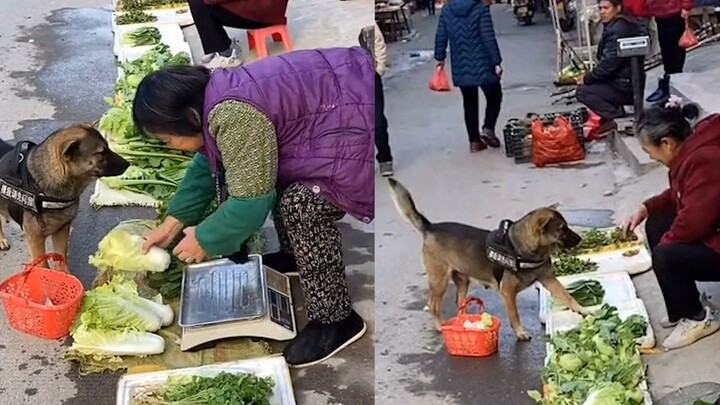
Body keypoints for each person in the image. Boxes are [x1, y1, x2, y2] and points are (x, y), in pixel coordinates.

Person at [132, 48, 374, 368]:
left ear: (189, 118)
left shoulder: (233, 115)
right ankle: (296, 256)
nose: (169, 147)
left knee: (302, 207)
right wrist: (173, 223)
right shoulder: (213, 101)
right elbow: (208, 166)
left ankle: (336, 320)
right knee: (270, 177)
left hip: (353, 128)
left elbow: (250, 203)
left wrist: (205, 238)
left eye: (166, 140)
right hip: (336, 107)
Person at [623, 97, 720, 350]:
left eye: (648, 151)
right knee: (657, 222)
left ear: (666, 143)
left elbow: (695, 220)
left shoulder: (704, 159)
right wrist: (647, 207)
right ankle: (681, 307)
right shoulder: (690, 150)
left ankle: (699, 319)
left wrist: (664, 252)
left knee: (666, 254)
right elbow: (682, 194)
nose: (650, 156)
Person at [434, 0, 503, 153]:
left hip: (461, 63)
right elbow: (488, 36)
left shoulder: (447, 10)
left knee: (469, 102)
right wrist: (496, 62)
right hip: (483, 61)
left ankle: (474, 141)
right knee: (494, 95)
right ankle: (488, 128)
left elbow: (441, 34)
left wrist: (440, 57)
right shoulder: (480, 8)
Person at [575, 0, 644, 135]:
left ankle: (615, 116)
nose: (602, 12)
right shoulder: (622, 24)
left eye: (606, 8)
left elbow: (609, 64)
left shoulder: (617, 29)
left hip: (624, 85)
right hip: (628, 81)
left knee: (583, 92)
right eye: (600, 8)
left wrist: (587, 78)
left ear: (617, 8)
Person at [188, 0, 289, 67]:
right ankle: (221, 46)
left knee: (199, 3)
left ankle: (227, 55)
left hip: (262, 11)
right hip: (259, 6)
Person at [360, 24, 394, 177]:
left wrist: (379, 69)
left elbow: (377, 41)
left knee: (377, 119)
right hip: (346, 78)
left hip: (371, 76)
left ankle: (385, 158)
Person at [645, 0, 694, 103]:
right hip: (661, 12)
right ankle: (669, 80)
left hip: (673, 12)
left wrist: (686, 7)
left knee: (675, 49)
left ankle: (674, 80)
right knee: (666, 48)